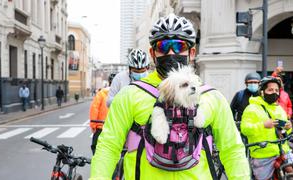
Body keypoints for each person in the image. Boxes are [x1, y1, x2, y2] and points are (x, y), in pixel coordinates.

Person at [90, 13, 250, 180]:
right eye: (163, 46)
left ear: (192, 52)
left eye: (179, 46)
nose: (172, 52)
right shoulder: (129, 95)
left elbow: (232, 149)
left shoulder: (212, 97)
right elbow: (108, 147)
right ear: (152, 53)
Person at [241, 76, 293, 180]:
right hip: (263, 155)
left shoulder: (279, 108)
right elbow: (245, 129)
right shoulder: (251, 108)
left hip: (283, 151)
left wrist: (288, 127)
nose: (274, 92)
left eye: (277, 90)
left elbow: (284, 130)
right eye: (270, 90)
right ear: (262, 92)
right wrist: (263, 125)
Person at [89, 73, 115, 155]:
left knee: (96, 149)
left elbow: (94, 108)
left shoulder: (101, 93)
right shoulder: (122, 93)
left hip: (101, 127)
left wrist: (93, 125)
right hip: (116, 128)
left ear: (109, 82)